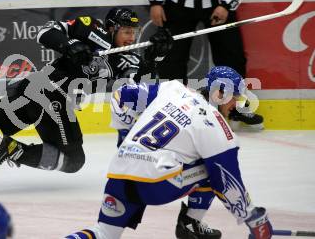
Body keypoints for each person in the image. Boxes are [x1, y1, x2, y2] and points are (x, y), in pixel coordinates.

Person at [0, 7, 172, 176]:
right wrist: (68, 46)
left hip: (37, 94)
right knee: (74, 160)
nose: (131, 38)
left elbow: (141, 86)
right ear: (111, 28)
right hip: (47, 93)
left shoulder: (129, 59)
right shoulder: (89, 28)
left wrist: (156, 58)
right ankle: (12, 149)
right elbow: (45, 33)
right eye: (126, 32)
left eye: (135, 34)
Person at [65, 66, 273, 239]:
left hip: (119, 171)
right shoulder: (217, 127)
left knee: (103, 234)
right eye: (234, 97)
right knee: (213, 166)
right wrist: (253, 218)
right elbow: (226, 182)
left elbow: (122, 94)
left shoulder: (172, 89)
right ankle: (191, 222)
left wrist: (125, 141)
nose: (235, 105)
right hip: (155, 184)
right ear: (220, 93)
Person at [147, 0, 264, 130]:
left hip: (217, 6)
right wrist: (155, 2)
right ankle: (175, 108)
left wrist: (226, 5)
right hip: (179, 6)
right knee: (171, 59)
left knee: (232, 56)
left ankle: (234, 108)